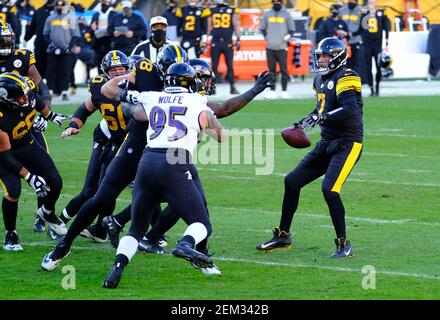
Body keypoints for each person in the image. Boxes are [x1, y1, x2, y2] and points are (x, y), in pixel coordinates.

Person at [102, 62, 226, 289]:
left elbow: (111, 93)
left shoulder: (152, 97)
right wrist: (208, 121)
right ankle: (186, 244)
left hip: (147, 163)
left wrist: (128, 83)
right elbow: (220, 135)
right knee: (202, 224)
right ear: (189, 81)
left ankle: (116, 269)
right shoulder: (196, 100)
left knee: (136, 230)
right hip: (175, 163)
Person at [256, 38, 363, 259]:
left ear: (336, 57)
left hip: (348, 143)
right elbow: (321, 107)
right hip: (326, 142)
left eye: (325, 56)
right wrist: (306, 120)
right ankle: (283, 235)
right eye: (320, 56)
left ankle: (344, 244)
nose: (321, 60)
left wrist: (322, 116)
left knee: (330, 190)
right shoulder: (320, 78)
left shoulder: (347, 76)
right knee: (291, 181)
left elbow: (350, 109)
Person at [55, 50, 130, 236]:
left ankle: (100, 229)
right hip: (106, 139)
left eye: (121, 70)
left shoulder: (138, 88)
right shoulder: (100, 87)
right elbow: (85, 109)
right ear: (105, 73)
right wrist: (74, 125)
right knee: (92, 190)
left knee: (115, 190)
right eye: (113, 71)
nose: (118, 74)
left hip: (129, 144)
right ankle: (60, 221)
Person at [0, 73, 70, 250]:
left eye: (25, 94)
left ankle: (47, 212)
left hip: (26, 143)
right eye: (20, 97)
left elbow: (36, 100)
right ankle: (10, 233)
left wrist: (50, 115)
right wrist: (30, 177)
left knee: (55, 181)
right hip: (4, 154)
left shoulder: (27, 93)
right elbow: (6, 155)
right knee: (13, 190)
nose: (25, 98)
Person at [43, 0, 80, 100]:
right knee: (51, 71)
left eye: (62, 5)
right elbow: (45, 34)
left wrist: (69, 46)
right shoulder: (50, 18)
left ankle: (64, 91)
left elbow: (75, 35)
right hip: (52, 49)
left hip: (66, 49)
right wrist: (51, 45)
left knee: (66, 71)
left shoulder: (71, 18)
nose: (60, 7)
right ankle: (50, 90)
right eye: (58, 5)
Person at [259, 0, 295, 100]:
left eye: (278, 1)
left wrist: (288, 36)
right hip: (270, 46)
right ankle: (272, 90)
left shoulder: (286, 14)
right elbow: (262, 28)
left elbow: (292, 29)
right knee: (271, 70)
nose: (276, 3)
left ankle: (284, 91)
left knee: (284, 70)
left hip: (282, 47)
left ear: (281, 2)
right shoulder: (267, 13)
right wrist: (266, 37)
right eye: (275, 1)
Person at [208, 0, 240, 95]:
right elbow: (236, 25)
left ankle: (231, 87)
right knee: (217, 66)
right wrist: (238, 39)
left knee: (225, 66)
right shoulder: (232, 10)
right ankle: (215, 88)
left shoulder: (212, 10)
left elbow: (209, 27)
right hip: (223, 41)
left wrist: (205, 39)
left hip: (220, 41)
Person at [362, 0, 390, 96]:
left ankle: (377, 86)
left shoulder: (381, 13)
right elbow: (362, 27)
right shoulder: (364, 13)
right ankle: (371, 88)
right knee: (368, 67)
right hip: (367, 44)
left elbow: (386, 28)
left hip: (377, 44)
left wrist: (386, 43)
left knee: (378, 67)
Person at [24, 0, 55, 81]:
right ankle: (39, 86)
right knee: (38, 65)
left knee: (51, 66)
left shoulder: (57, 12)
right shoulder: (39, 11)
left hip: (52, 43)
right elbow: (32, 27)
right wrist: (26, 38)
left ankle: (51, 87)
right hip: (39, 43)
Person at [340, 0, 366, 83]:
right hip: (343, 42)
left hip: (356, 41)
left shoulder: (362, 11)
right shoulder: (341, 10)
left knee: (356, 64)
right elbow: (338, 24)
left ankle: (356, 83)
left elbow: (364, 27)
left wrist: (352, 34)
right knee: (344, 65)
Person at [91, 0, 116, 66]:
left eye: (106, 2)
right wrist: (92, 28)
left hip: (110, 41)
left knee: (110, 64)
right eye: (102, 2)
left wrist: (110, 31)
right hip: (98, 42)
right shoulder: (96, 14)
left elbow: (116, 28)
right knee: (100, 64)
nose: (104, 3)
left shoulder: (114, 14)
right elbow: (90, 30)